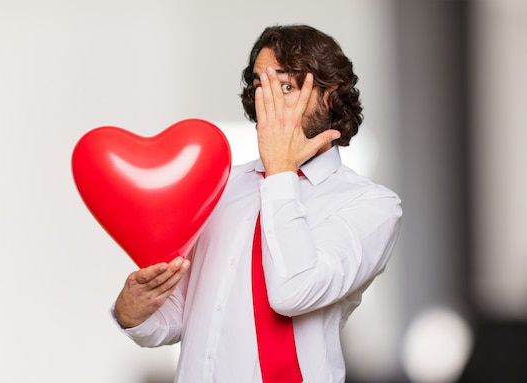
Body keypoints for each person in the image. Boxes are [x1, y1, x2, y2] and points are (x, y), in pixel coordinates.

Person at [111, 24, 402, 382]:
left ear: (331, 94)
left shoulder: (371, 205)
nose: (270, 102)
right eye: (259, 86)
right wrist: (132, 311)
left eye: (286, 86)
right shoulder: (220, 186)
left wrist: (280, 170)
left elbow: (293, 293)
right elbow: (183, 317)